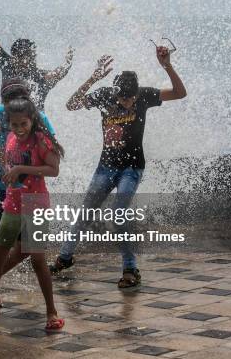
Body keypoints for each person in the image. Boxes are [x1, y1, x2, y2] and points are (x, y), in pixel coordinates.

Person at [49, 46, 187, 288]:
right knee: (84, 213)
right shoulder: (104, 95)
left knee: (119, 215)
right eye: (123, 99)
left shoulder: (144, 95)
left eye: (130, 99)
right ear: (116, 93)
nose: (127, 103)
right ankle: (65, 257)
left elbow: (179, 93)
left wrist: (166, 65)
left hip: (131, 168)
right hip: (105, 167)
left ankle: (131, 269)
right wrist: (93, 77)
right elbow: (71, 104)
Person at [0, 96, 66, 331]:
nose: (19, 129)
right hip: (12, 204)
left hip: (36, 203)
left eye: (23, 124)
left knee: (38, 259)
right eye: (14, 124)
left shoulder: (40, 140)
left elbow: (54, 169)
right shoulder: (10, 138)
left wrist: (22, 169)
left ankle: (51, 311)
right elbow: (8, 164)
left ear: (32, 120)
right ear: (9, 123)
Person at [0, 0, 73, 112]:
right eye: (22, 56)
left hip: (36, 127)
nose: (27, 61)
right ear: (14, 57)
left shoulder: (41, 77)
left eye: (30, 56)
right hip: (7, 126)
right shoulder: (7, 65)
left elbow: (61, 72)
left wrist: (68, 61)